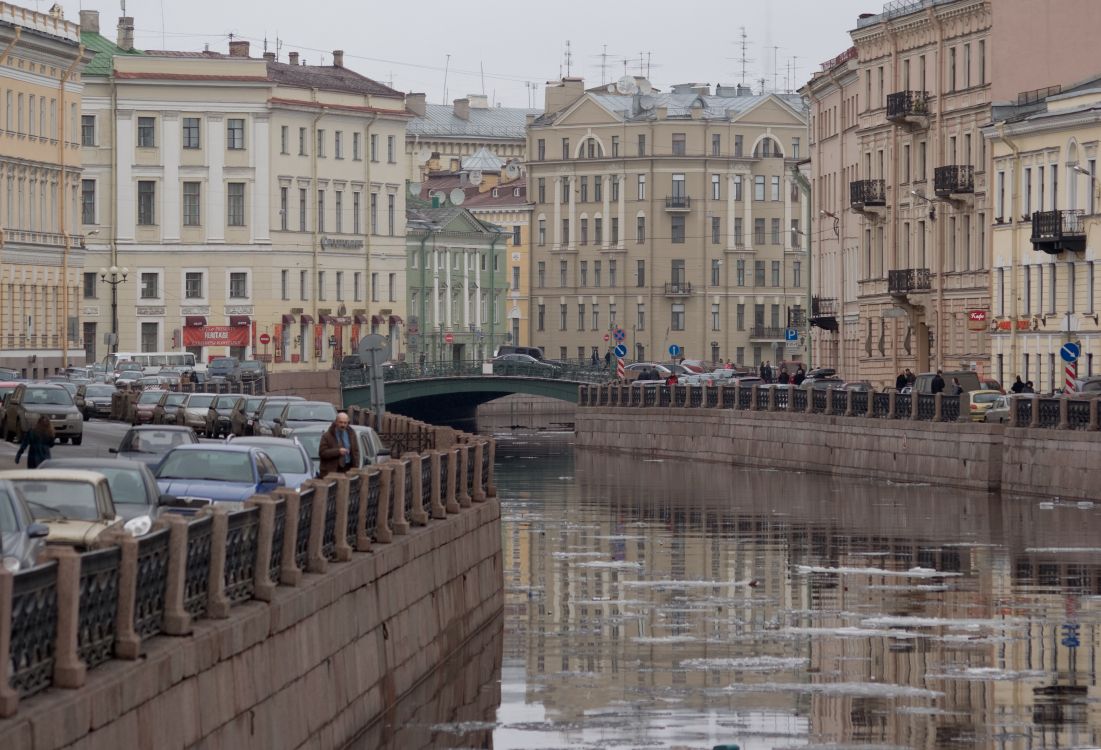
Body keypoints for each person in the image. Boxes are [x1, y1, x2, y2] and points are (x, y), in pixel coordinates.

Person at [318, 411, 360, 476]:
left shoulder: (351, 434)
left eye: (345, 423)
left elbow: (356, 451)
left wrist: (356, 466)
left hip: (348, 469)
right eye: (341, 422)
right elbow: (322, 453)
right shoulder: (327, 436)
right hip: (333, 471)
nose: (343, 425)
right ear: (336, 422)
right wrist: (338, 451)